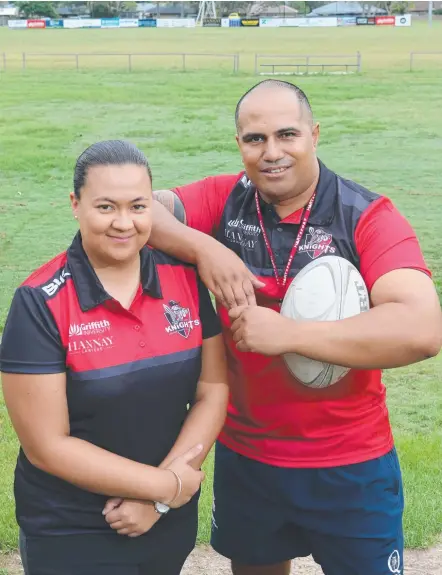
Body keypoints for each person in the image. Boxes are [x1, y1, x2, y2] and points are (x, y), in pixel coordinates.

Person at [147, 80, 442, 575]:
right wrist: (205, 248)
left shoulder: (366, 216)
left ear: (315, 134)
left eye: (288, 134)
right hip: (249, 457)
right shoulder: (223, 200)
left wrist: (288, 335)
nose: (272, 152)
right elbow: (138, 209)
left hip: (351, 463)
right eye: (254, 139)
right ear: (239, 143)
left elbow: (422, 329)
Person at [0, 140, 229, 575]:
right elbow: (47, 445)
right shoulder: (39, 302)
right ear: (76, 204)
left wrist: (159, 501)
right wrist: (164, 486)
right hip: (71, 528)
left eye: (138, 206)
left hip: (168, 518)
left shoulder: (183, 279)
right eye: (106, 207)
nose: (123, 223)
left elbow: (212, 389)